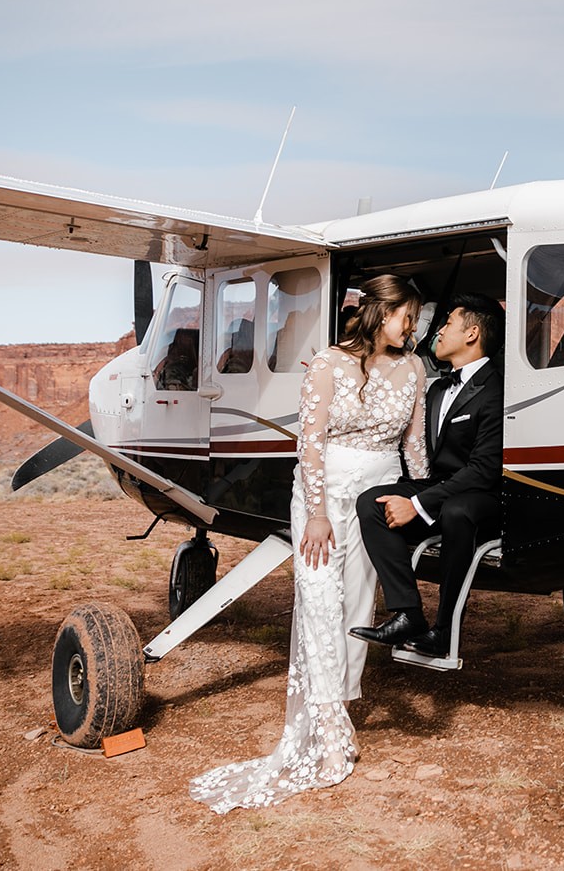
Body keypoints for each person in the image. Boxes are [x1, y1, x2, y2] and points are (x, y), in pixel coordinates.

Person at [190, 274, 427, 814]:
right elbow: (310, 443)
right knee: (319, 601)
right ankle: (329, 729)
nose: (411, 328)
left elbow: (414, 446)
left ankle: (336, 706)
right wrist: (316, 514)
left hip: (381, 497)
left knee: (359, 603)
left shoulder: (414, 367)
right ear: (376, 313)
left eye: (415, 318)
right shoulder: (327, 364)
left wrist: (423, 505)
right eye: (403, 316)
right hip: (323, 501)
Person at [351, 293, 504, 659]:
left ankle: (445, 631)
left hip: (481, 495)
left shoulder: (495, 390)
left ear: (471, 334)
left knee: (456, 512)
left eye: (448, 323)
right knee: (371, 502)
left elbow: (483, 471)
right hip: (440, 488)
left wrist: (416, 504)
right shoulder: (437, 388)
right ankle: (408, 613)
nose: (439, 330)